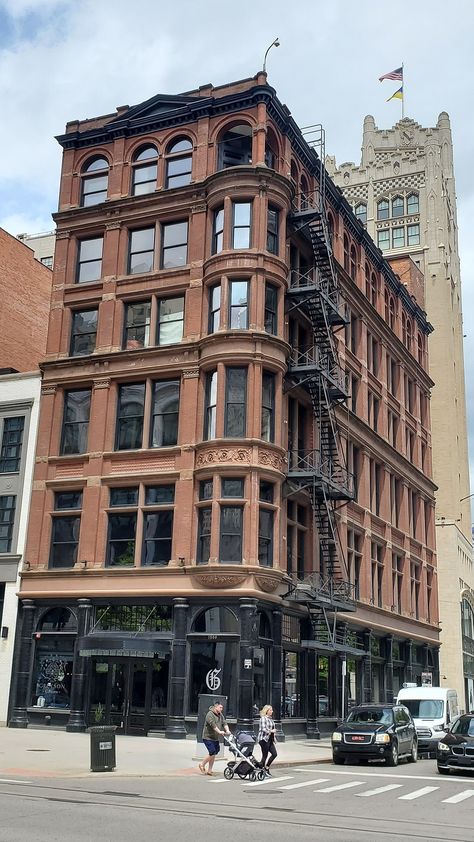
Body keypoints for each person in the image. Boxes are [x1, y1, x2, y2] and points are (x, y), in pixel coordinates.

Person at [199, 700, 231, 776]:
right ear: (215, 707)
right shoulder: (209, 714)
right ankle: (202, 764)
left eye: (222, 708)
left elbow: (224, 723)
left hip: (215, 738)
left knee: (215, 752)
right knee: (212, 751)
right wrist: (220, 732)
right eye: (220, 707)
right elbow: (213, 725)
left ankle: (210, 770)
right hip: (208, 737)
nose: (221, 709)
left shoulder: (220, 715)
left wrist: (227, 730)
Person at [258, 704, 277, 776]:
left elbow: (272, 728)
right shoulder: (263, 718)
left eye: (272, 710)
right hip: (263, 739)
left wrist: (274, 734)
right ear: (267, 711)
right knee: (265, 755)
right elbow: (263, 729)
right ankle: (262, 771)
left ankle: (266, 767)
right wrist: (271, 731)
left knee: (274, 754)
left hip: (270, 739)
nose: (272, 711)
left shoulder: (270, 719)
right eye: (270, 710)